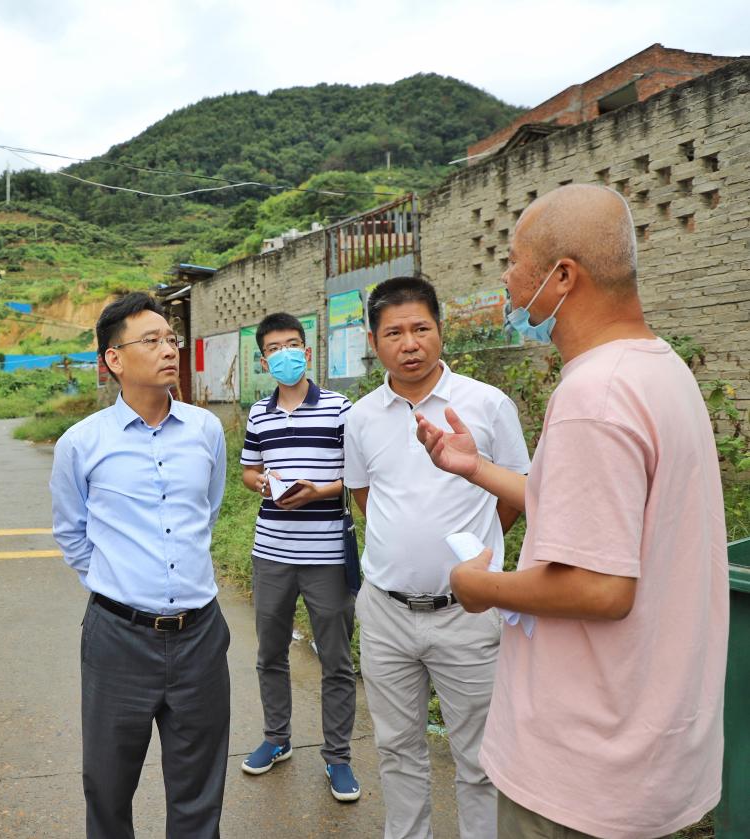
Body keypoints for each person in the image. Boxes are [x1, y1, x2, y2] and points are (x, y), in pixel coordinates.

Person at [416, 184, 728, 839]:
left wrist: (478, 586)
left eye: (515, 259)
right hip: (653, 758)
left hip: (581, 777)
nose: (505, 276)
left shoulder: (595, 395)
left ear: (563, 276)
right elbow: (604, 518)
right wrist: (476, 467)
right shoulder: (657, 369)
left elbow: (600, 585)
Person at [343, 275, 530, 839]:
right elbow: (365, 500)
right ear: (374, 342)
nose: (410, 343)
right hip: (386, 614)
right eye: (394, 332)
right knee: (397, 750)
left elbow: (516, 489)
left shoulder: (486, 404)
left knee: (480, 759)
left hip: (467, 616)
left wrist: (475, 558)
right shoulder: (360, 418)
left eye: (421, 328)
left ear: (440, 332)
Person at [50, 292, 229, 839]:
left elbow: (209, 509)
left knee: (200, 789)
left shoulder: (206, 431)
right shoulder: (81, 443)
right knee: (107, 786)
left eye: (170, 338)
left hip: (200, 635)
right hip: (118, 639)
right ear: (114, 359)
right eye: (150, 341)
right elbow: (71, 532)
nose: (167, 349)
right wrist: (118, 589)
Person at [237, 312, 361, 802]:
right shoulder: (259, 413)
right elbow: (249, 471)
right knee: (270, 653)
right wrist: (264, 482)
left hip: (327, 554)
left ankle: (339, 758)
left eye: (292, 345)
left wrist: (320, 490)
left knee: (336, 659)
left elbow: (360, 473)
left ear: (307, 353)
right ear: (264, 359)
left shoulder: (339, 407)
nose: (283, 354)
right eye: (273, 348)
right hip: (271, 552)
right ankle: (277, 737)